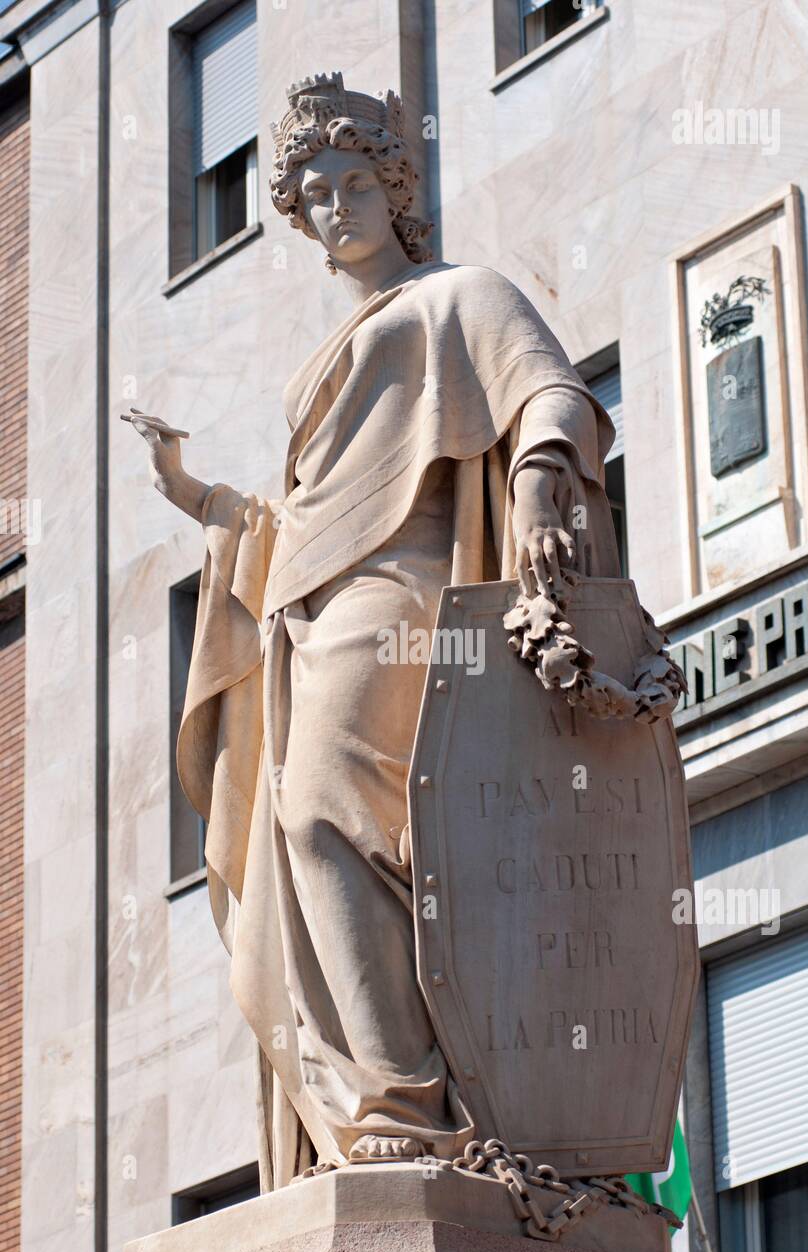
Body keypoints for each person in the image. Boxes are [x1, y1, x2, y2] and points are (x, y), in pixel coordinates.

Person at [122, 72, 619, 1189]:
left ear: (395, 190)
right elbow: (292, 525)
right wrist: (196, 495)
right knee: (327, 842)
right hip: (310, 621)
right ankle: (393, 1092)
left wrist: (540, 482)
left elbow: (552, 394)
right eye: (312, 193)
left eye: (354, 182)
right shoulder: (329, 361)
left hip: (404, 599)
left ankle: (399, 1101)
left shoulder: (458, 299)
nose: (336, 205)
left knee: (319, 817)